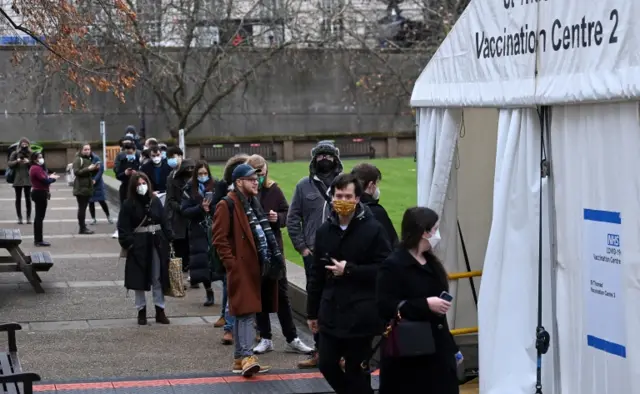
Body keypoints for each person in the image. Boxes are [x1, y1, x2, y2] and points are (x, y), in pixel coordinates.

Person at [307, 173, 392, 394]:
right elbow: (316, 274)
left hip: (361, 313)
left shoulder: (373, 229)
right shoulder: (325, 231)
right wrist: (311, 313)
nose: (342, 200)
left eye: (347, 196)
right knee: (326, 364)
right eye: (338, 195)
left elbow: (384, 268)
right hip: (331, 311)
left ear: (357, 199)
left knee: (356, 369)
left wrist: (350, 270)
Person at [376, 207, 461, 394]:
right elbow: (385, 305)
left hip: (436, 350)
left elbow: (440, 318)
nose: (437, 234)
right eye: (435, 229)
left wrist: (452, 347)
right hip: (408, 353)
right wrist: (425, 304)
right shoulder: (393, 265)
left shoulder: (431, 262)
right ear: (424, 232)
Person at [212, 163, 285, 377]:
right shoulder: (227, 204)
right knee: (244, 312)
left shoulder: (252, 202)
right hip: (242, 267)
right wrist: (232, 264)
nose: (256, 181)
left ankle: (238, 358)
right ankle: (246, 357)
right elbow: (219, 238)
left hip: (257, 267)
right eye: (251, 178)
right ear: (239, 182)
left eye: (257, 178)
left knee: (247, 310)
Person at [245, 154, 314, 355]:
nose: (258, 179)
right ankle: (265, 337)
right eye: (255, 175)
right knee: (259, 296)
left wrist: (278, 217)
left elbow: (288, 214)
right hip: (254, 251)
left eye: (262, 174)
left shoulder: (273, 190)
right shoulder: (246, 194)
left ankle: (292, 337)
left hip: (273, 250)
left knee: (281, 295)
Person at [287, 140, 343, 368]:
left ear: (335, 159)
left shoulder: (345, 184)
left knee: (341, 303)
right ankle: (320, 351)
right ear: (313, 159)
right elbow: (292, 219)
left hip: (341, 255)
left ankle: (341, 353)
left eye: (328, 156)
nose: (324, 160)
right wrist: (303, 248)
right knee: (317, 302)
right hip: (313, 255)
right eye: (320, 156)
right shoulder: (303, 186)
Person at [117, 172, 172, 326]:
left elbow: (164, 220)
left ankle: (160, 310)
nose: (142, 186)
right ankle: (141, 310)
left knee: (158, 277)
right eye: (138, 184)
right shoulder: (129, 204)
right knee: (138, 279)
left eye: (144, 183)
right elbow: (123, 227)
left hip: (156, 243)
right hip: (139, 245)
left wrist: (169, 237)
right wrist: (130, 244)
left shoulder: (155, 201)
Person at [211, 154, 248, 343]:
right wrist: (230, 260)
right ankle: (229, 327)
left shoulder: (254, 196)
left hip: (248, 254)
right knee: (230, 288)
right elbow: (219, 232)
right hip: (233, 252)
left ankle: (250, 330)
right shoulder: (226, 199)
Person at [180, 161, 217, 305]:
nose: (203, 176)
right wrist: (200, 208)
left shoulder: (215, 187)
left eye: (205, 173)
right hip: (197, 229)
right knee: (202, 261)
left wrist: (211, 208)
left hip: (213, 227)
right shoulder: (189, 189)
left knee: (215, 259)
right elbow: (185, 210)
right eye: (200, 174)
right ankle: (209, 290)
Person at [351, 163, 398, 247]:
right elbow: (392, 243)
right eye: (376, 184)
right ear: (371, 185)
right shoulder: (377, 212)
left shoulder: (345, 208)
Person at [165, 147, 193, 273]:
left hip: (191, 216)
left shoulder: (190, 171)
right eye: (170, 157)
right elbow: (170, 199)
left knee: (191, 246)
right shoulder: (171, 176)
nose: (172, 160)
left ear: (181, 156)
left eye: (174, 156)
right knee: (180, 247)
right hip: (177, 217)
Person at [28, 152, 59, 247]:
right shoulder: (36, 168)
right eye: (39, 157)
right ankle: (38, 240)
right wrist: (53, 179)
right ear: (34, 159)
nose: (42, 158)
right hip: (39, 193)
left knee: (38, 217)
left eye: (42, 157)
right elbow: (45, 181)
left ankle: (37, 239)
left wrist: (49, 176)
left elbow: (44, 178)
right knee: (39, 218)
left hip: (39, 193)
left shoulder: (37, 168)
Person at [73, 143, 99, 235]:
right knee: (82, 208)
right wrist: (88, 168)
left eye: (89, 149)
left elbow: (89, 173)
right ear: (81, 150)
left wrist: (95, 169)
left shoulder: (88, 159)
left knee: (83, 208)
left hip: (87, 186)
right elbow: (76, 172)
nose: (88, 151)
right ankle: (82, 228)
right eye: (85, 149)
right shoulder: (78, 159)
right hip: (81, 187)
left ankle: (83, 227)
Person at [8, 138, 33, 224]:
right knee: (18, 199)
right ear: (20, 145)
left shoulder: (31, 154)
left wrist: (28, 162)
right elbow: (9, 164)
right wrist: (17, 161)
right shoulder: (15, 153)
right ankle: (19, 217)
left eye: (26, 143)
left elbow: (36, 164)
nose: (24, 145)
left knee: (28, 199)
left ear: (28, 144)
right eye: (23, 143)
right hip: (17, 179)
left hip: (28, 178)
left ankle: (28, 217)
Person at [88, 150, 113, 225]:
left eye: (88, 150)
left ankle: (108, 216)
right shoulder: (83, 159)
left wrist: (95, 179)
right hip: (89, 182)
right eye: (85, 150)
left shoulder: (96, 158)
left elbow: (101, 170)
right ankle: (93, 218)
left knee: (102, 201)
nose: (86, 151)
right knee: (91, 201)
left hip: (97, 183)